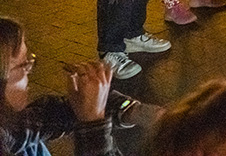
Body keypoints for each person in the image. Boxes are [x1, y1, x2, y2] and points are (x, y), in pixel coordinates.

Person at [0, 16, 136, 155]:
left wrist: (103, 103)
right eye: (23, 65)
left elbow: (42, 119)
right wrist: (93, 125)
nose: (30, 70)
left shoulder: (8, 126)